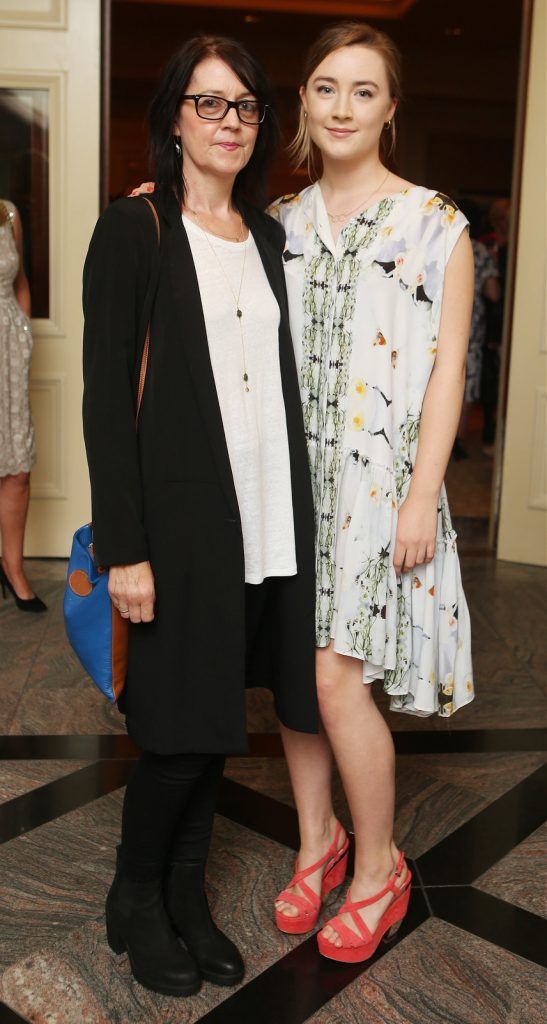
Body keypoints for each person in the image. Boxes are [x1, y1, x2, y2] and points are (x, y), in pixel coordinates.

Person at [82, 35, 318, 997]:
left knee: (214, 723)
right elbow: (104, 401)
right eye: (209, 102)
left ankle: (187, 895)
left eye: (245, 106)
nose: (229, 122)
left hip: (259, 522)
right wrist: (127, 549)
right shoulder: (134, 230)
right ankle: (135, 897)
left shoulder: (266, 236)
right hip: (173, 531)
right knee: (175, 736)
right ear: (174, 115)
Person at [266, 21, 475, 963]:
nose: (341, 106)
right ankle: (318, 843)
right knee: (291, 672)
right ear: (303, 103)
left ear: (389, 107)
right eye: (324, 87)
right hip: (280, 481)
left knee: (334, 677)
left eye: (362, 89)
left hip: (374, 486)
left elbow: (445, 372)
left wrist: (419, 494)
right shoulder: (275, 221)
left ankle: (378, 866)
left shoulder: (436, 223)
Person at [0, 200, 46, 612]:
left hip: (9, 350)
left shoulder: (8, 213)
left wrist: (25, 337)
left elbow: (20, 283)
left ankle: (13, 567)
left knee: (17, 469)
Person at [453, 199, 500, 460]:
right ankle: (456, 440)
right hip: (471, 326)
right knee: (466, 382)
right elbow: (493, 294)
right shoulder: (480, 251)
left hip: (435, 325)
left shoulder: (438, 243)